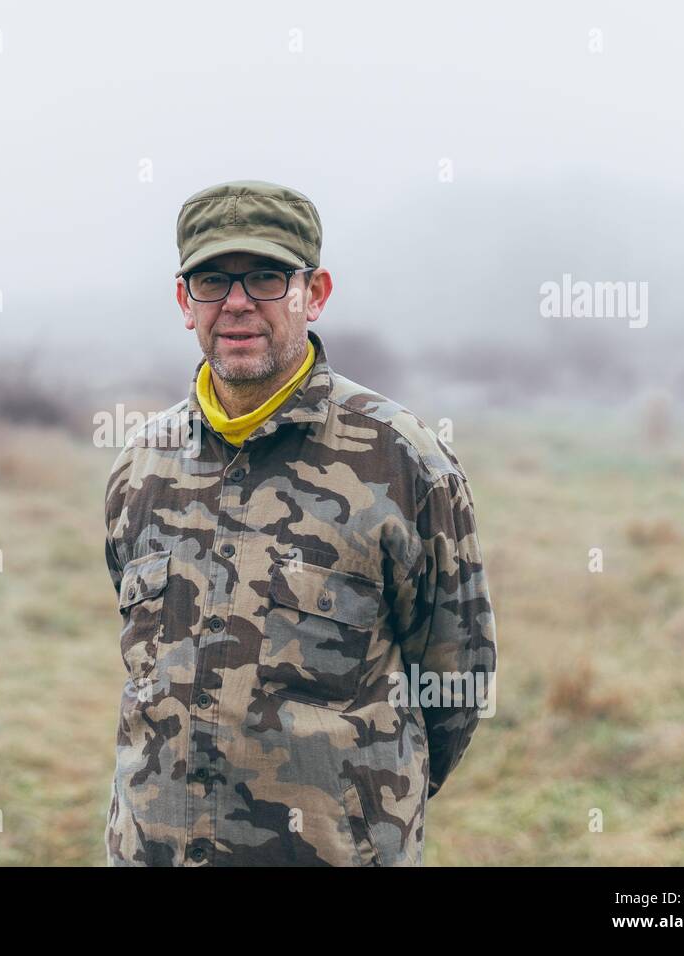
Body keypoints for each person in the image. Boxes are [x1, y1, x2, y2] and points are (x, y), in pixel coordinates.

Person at [101, 180, 498, 866]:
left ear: (314, 294)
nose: (236, 302)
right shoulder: (142, 466)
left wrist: (365, 812)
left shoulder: (404, 462)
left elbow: (454, 680)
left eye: (265, 277)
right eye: (211, 280)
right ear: (182, 301)